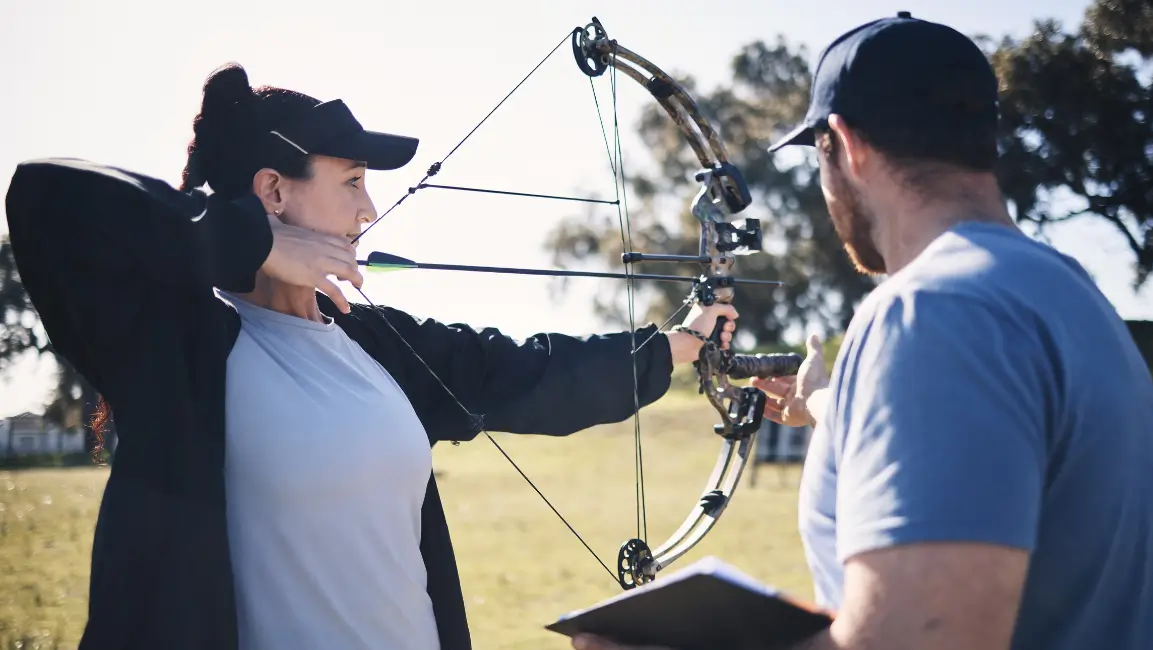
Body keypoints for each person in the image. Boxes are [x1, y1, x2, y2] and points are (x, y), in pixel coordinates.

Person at [4, 62, 740, 650]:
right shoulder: (179, 346)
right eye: (353, 181)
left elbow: (526, 372)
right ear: (273, 191)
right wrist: (251, 242)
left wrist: (676, 343)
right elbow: (47, 195)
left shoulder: (369, 340)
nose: (369, 210)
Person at [571, 11, 1153, 650]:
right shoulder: (1068, 292)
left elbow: (923, 640)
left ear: (844, 144)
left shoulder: (933, 311)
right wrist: (827, 402)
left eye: (819, 156)